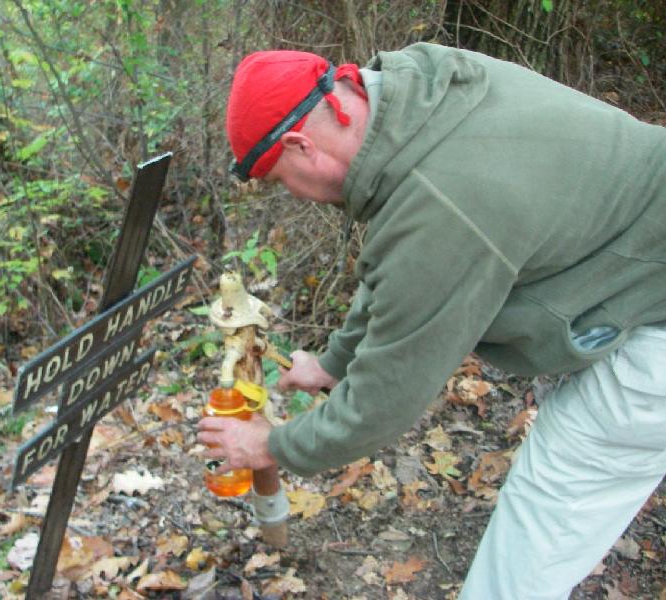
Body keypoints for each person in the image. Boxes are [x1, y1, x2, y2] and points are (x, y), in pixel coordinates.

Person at [197, 43, 666, 599]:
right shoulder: (424, 89)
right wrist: (333, 362)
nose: (294, 197)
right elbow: (400, 267)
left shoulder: (441, 206)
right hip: (638, 261)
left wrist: (269, 447)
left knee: (545, 520)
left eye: (280, 181)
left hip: (652, 317)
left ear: (300, 144)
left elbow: (381, 404)